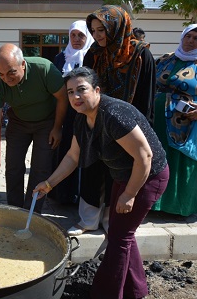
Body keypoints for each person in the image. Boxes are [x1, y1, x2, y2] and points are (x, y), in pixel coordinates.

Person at [34, 67, 169, 299]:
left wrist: (130, 194)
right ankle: (135, 291)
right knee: (122, 233)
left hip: (148, 176)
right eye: (70, 92)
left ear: (97, 90)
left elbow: (145, 157)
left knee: (119, 237)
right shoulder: (81, 117)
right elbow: (72, 157)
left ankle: (106, 293)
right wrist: (49, 183)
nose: (75, 97)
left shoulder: (114, 114)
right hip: (124, 176)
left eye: (81, 90)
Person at [67, 5, 156, 236]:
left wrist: (137, 129)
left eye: (102, 30)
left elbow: (146, 99)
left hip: (126, 127)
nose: (97, 36)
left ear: (116, 27)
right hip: (95, 120)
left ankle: (111, 221)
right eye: (94, 30)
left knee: (118, 172)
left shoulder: (140, 54)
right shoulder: (94, 53)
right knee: (91, 167)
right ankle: (87, 220)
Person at [0, 43, 67, 213]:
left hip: (47, 122)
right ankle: (14, 210)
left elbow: (63, 98)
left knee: (40, 168)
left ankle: (32, 213)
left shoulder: (44, 69)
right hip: (18, 122)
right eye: (1, 74)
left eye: (11, 72)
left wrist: (57, 127)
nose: (7, 79)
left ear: (23, 64)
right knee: (13, 166)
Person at [152, 24, 197, 217]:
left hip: (185, 123)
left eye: (196, 39)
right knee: (157, 159)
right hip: (157, 121)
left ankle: (179, 207)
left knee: (179, 162)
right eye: (188, 36)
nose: (191, 41)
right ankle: (154, 204)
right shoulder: (165, 59)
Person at [50, 20, 94, 204]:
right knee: (64, 152)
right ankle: (61, 194)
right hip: (65, 115)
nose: (76, 39)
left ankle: (80, 198)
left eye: (81, 35)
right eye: (73, 35)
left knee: (83, 154)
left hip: (85, 114)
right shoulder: (61, 58)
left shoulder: (92, 56)